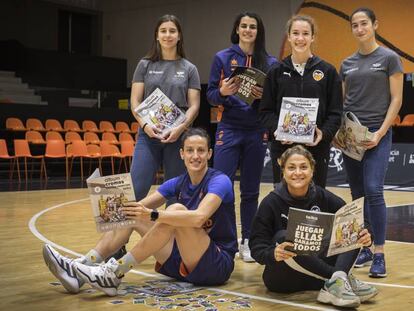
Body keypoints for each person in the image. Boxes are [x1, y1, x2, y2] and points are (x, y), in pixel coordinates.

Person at [42, 128, 237, 296]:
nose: (196, 156)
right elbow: (134, 210)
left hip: (216, 264)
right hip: (180, 260)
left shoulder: (219, 181)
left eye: (201, 150)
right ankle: (80, 267)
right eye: (190, 150)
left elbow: (198, 218)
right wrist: (109, 203)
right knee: (132, 214)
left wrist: (153, 214)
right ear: (181, 154)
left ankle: (115, 272)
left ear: (210, 154)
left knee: (174, 210)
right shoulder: (178, 182)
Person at [249, 145, 378, 308]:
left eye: (303, 167)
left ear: (312, 170)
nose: (297, 173)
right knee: (285, 236)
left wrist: (367, 235)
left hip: (316, 277)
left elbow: (358, 220)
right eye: (291, 168)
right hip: (284, 280)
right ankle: (340, 278)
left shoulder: (322, 196)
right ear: (283, 171)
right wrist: (272, 254)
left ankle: (336, 283)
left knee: (349, 226)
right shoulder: (271, 202)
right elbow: (256, 247)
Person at [337, 7, 403, 278]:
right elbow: (343, 103)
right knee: (357, 195)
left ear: (375, 25)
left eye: (364, 23)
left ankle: (379, 253)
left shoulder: (389, 58)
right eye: (355, 25)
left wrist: (379, 132)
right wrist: (340, 135)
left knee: (374, 190)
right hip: (352, 136)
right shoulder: (346, 64)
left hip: (377, 133)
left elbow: (397, 100)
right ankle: (362, 246)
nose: (360, 29)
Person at [207, 12, 277, 262]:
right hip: (229, 128)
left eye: (253, 27)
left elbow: (276, 101)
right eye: (244, 26)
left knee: (250, 191)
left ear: (259, 32)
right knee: (222, 187)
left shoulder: (270, 61)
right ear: (237, 29)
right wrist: (223, 92)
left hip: (257, 130)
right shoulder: (222, 58)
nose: (248, 30)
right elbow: (211, 96)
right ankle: (226, 240)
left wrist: (263, 96)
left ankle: (248, 240)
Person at [259, 15, 342, 188]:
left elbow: (335, 113)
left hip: (316, 149)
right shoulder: (276, 71)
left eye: (305, 33)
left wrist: (323, 134)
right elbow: (265, 111)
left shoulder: (328, 71)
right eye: (295, 33)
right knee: (283, 201)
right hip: (283, 149)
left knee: (315, 202)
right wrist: (278, 131)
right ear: (288, 37)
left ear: (313, 37)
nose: (300, 38)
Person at [130, 14, 200, 201]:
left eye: (172, 31)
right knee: (136, 190)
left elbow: (194, 106)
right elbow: (135, 102)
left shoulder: (189, 68)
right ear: (156, 35)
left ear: (179, 36)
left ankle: (171, 230)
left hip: (178, 136)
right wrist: (145, 126)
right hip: (149, 135)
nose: (167, 35)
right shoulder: (144, 65)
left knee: (175, 195)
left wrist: (180, 128)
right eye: (163, 31)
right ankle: (133, 229)